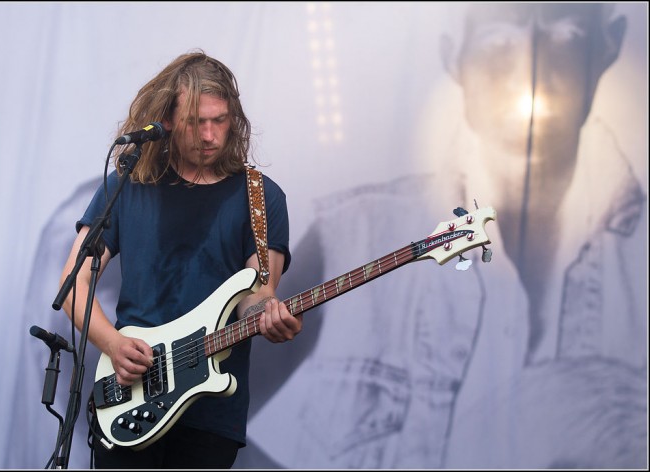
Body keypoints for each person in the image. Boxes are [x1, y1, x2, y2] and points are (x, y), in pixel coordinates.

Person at [238, 3, 646, 469]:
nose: (530, 70)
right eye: (498, 41)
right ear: (456, 56)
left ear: (607, 45)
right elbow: (216, 417)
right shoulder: (350, 235)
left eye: (567, 35)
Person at [57, 50, 302, 469]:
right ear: (167, 121)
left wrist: (269, 314)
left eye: (219, 121)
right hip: (131, 394)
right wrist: (113, 345)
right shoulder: (126, 186)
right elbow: (72, 286)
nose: (209, 135)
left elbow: (257, 293)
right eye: (194, 122)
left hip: (210, 412)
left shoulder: (261, 197)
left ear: (234, 120)